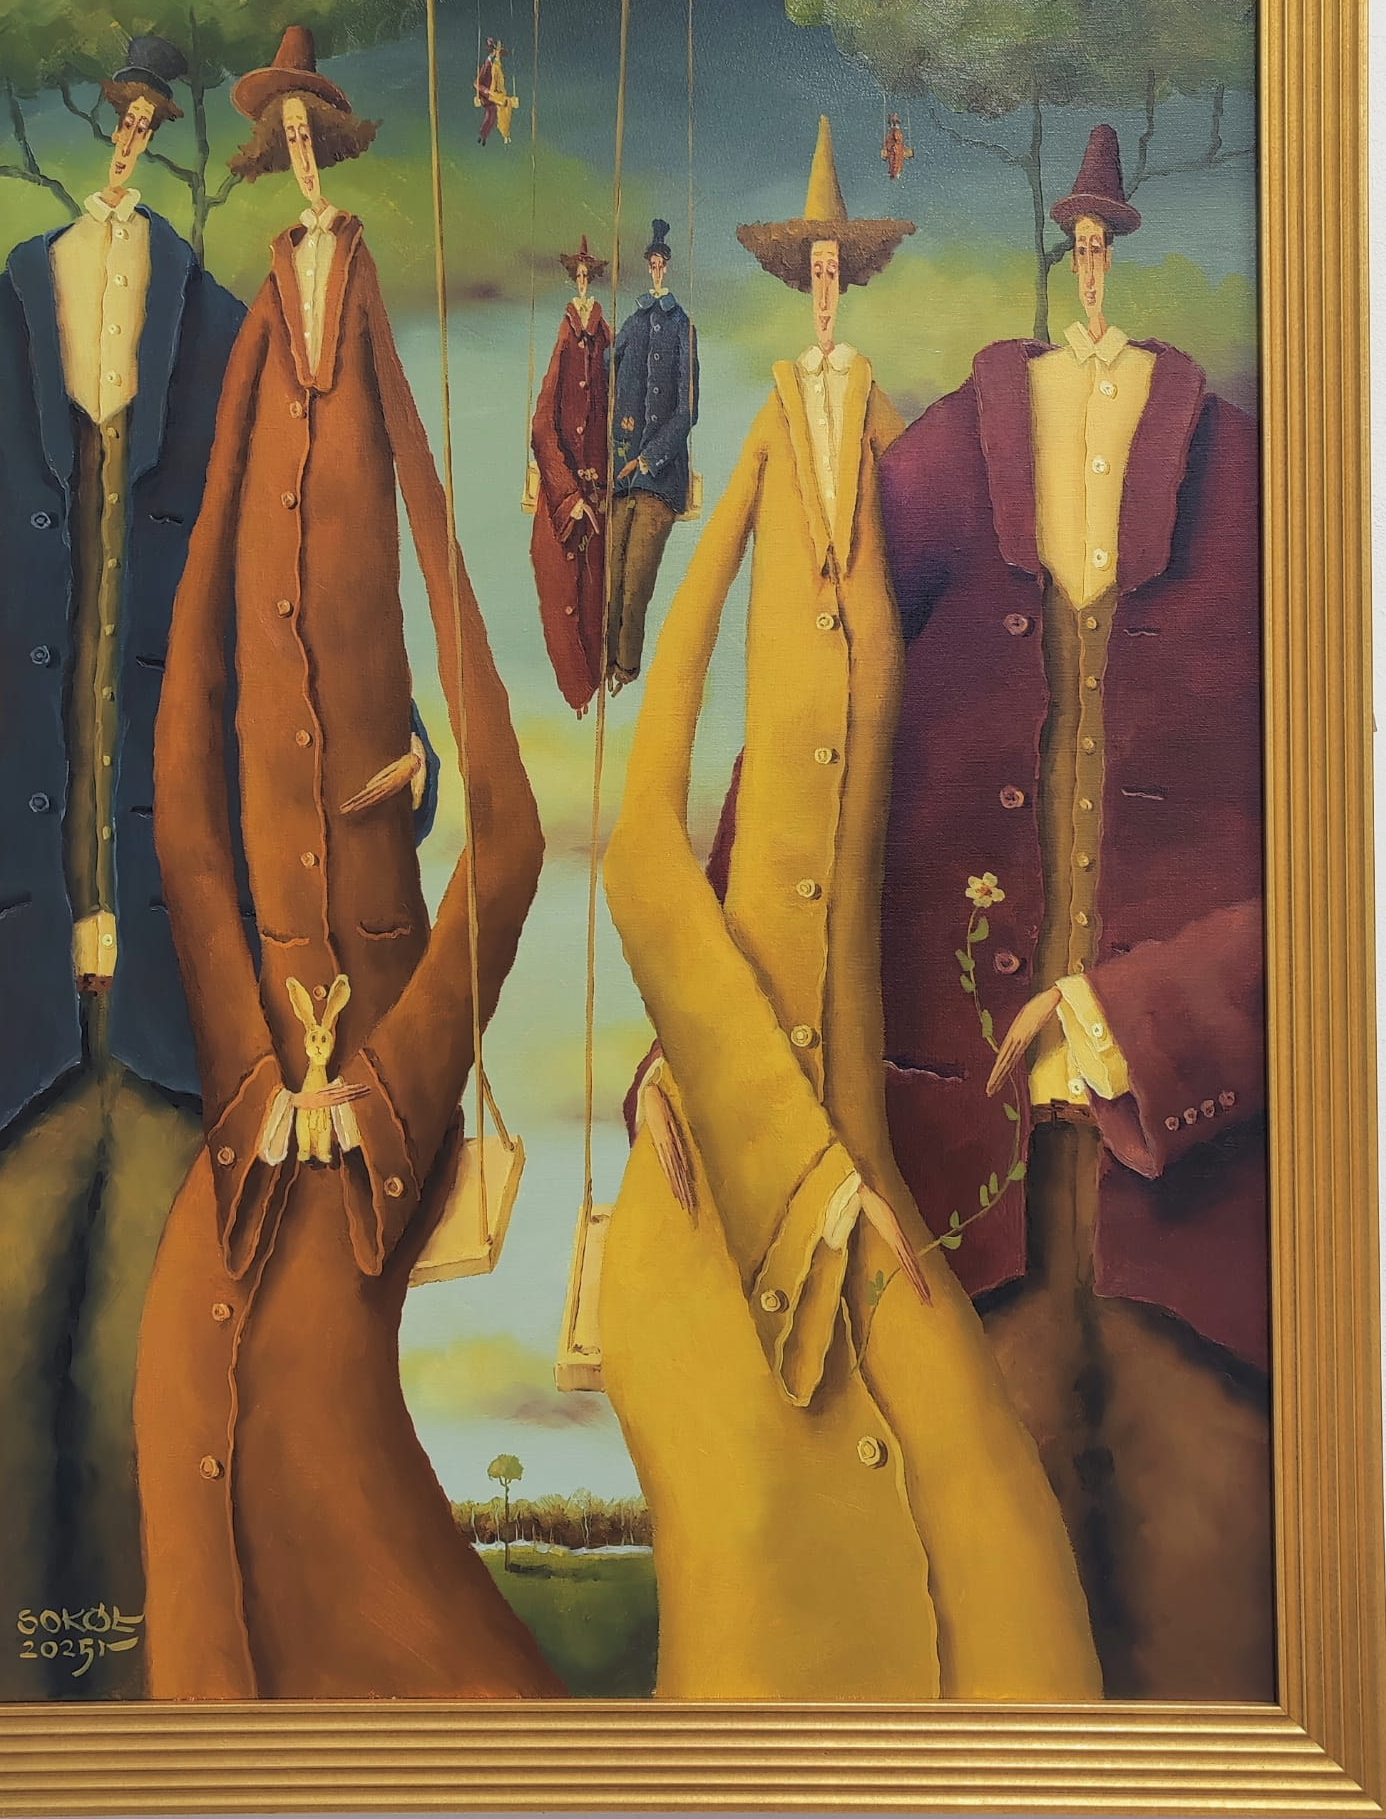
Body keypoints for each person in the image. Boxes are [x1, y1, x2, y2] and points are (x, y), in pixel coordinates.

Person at [598, 118, 1101, 1704]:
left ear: (858, 278)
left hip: (871, 1151)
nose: (822, 288)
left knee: (1008, 1574)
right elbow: (636, 846)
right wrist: (747, 1113)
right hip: (736, 1161)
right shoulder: (754, 455)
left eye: (840, 267)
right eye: (804, 268)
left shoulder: (908, 471)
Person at [135, 26, 561, 1703]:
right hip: (266, 1057)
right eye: (286, 138)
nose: (305, 156)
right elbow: (183, 802)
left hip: (378, 1034)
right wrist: (257, 1084)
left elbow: (513, 844)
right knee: (185, 1382)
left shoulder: (367, 325)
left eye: (322, 131)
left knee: (304, 1416)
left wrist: (378, 1096)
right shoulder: (260, 346)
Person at [875, 123, 1270, 1700]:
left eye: (1107, 239)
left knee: (1219, 1659)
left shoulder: (1262, 486)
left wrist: (1143, 1014)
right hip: (953, 1242)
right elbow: (804, 778)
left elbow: (1361, 872)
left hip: (1218, 1251)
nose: (1090, 265)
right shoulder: (924, 477)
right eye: (1076, 242)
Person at [0, 32, 247, 1702]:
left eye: (162, 112)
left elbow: (303, 623)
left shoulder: (228, 348)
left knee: (139, 1392)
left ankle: (139, 1753)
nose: (138, 134)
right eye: (124, 109)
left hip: (172, 1003)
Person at [605, 218, 698, 691]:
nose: (657, 270)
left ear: (669, 267)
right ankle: (602, 662)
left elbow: (687, 411)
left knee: (636, 584)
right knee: (610, 577)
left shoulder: (682, 327)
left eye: (663, 263)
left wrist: (646, 459)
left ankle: (624, 667)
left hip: (658, 478)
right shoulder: (633, 322)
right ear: (648, 267)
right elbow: (605, 367)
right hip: (620, 477)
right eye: (652, 263)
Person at [529, 234, 612, 714]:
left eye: (587, 276)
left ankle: (591, 686)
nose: (582, 283)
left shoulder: (605, 338)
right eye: (577, 276)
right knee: (561, 587)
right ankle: (575, 689)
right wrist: (566, 493)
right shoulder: (564, 336)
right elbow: (542, 425)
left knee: (597, 593)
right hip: (564, 497)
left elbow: (618, 412)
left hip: (599, 495)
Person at [474, 36, 517, 145]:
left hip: (494, 97)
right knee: (502, 104)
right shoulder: (487, 67)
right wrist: (486, 91)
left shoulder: (496, 68)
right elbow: (476, 84)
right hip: (487, 96)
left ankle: (487, 135)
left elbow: (499, 83)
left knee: (493, 115)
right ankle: (491, 134)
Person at [883, 110, 913, 179]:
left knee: (895, 160)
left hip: (895, 149)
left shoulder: (894, 134)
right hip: (895, 149)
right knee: (895, 160)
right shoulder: (893, 134)